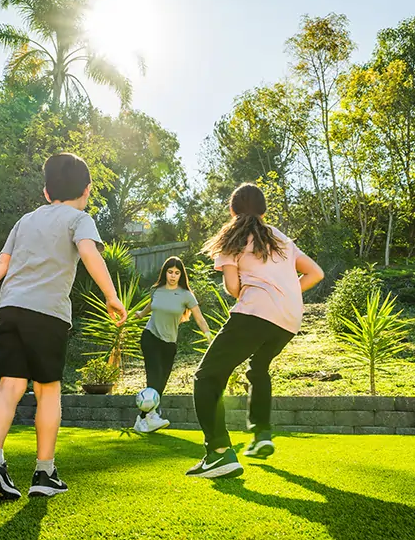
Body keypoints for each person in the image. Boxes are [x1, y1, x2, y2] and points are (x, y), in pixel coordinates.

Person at [0, 152, 127, 499]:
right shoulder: (79, 219)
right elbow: (90, 254)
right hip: (48, 315)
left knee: (10, 387)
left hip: (11, 310)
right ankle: (44, 473)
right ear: (87, 190)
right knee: (48, 391)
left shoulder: (25, 221)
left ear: (46, 192)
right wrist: (111, 295)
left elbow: (2, 264)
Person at [186, 183, 324, 479]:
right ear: (263, 211)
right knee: (258, 368)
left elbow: (234, 288)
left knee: (207, 376)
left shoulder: (232, 237)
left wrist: (263, 293)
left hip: (256, 312)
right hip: (288, 320)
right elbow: (316, 273)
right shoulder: (281, 238)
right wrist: (286, 293)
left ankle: (219, 453)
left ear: (232, 210)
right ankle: (261, 432)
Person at [133, 257, 214, 433]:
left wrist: (208, 335)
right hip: (151, 336)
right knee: (154, 377)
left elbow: (199, 317)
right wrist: (141, 313)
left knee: (161, 381)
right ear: (165, 272)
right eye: (170, 272)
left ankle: (141, 419)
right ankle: (153, 416)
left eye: (177, 273)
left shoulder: (186, 295)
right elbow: (152, 304)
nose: (173, 276)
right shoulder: (156, 290)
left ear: (181, 275)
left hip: (169, 343)